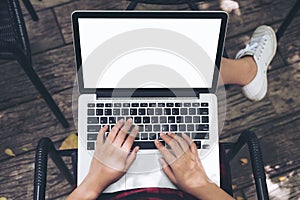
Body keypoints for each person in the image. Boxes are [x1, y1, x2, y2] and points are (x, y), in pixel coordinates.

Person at [67, 25, 277, 199]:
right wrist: (200, 184)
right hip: (195, 190)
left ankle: (247, 72)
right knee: (178, 65)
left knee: (154, 71)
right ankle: (249, 72)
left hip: (103, 188)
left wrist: (94, 182)